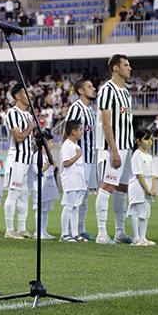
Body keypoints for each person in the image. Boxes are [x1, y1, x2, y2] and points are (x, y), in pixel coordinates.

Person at [95, 54, 135, 245]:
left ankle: (120, 231)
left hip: (127, 148)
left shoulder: (126, 92)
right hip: (113, 148)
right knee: (107, 188)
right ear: (115, 68)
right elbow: (106, 123)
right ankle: (102, 233)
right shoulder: (107, 90)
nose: (130, 68)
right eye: (126, 65)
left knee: (122, 189)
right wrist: (114, 150)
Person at [64, 78, 97, 240]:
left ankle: (80, 229)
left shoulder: (91, 110)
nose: (94, 89)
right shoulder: (76, 108)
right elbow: (67, 131)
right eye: (90, 87)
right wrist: (68, 154)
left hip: (90, 158)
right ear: (81, 91)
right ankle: (70, 231)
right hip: (78, 161)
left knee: (84, 197)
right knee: (75, 197)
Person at [4, 83, 37, 239]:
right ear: (17, 96)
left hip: (27, 159)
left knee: (24, 194)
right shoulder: (12, 113)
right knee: (14, 193)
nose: (29, 95)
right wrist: (31, 128)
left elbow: (28, 139)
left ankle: (22, 228)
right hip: (16, 158)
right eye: (25, 92)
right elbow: (18, 137)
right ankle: (10, 229)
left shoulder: (29, 115)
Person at [128, 128, 157, 246]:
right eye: (146, 139)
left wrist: (153, 188)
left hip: (148, 188)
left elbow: (153, 174)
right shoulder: (136, 155)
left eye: (151, 139)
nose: (150, 141)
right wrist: (147, 189)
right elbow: (139, 175)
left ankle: (143, 237)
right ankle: (135, 238)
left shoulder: (149, 157)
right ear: (138, 141)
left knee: (145, 212)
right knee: (135, 211)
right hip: (138, 187)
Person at [60, 120, 87, 242]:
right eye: (80, 130)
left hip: (78, 181)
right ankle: (64, 234)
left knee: (75, 207)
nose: (82, 132)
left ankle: (75, 233)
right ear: (73, 132)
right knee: (68, 206)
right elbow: (65, 163)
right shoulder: (67, 145)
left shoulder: (76, 146)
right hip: (70, 181)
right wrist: (77, 156)